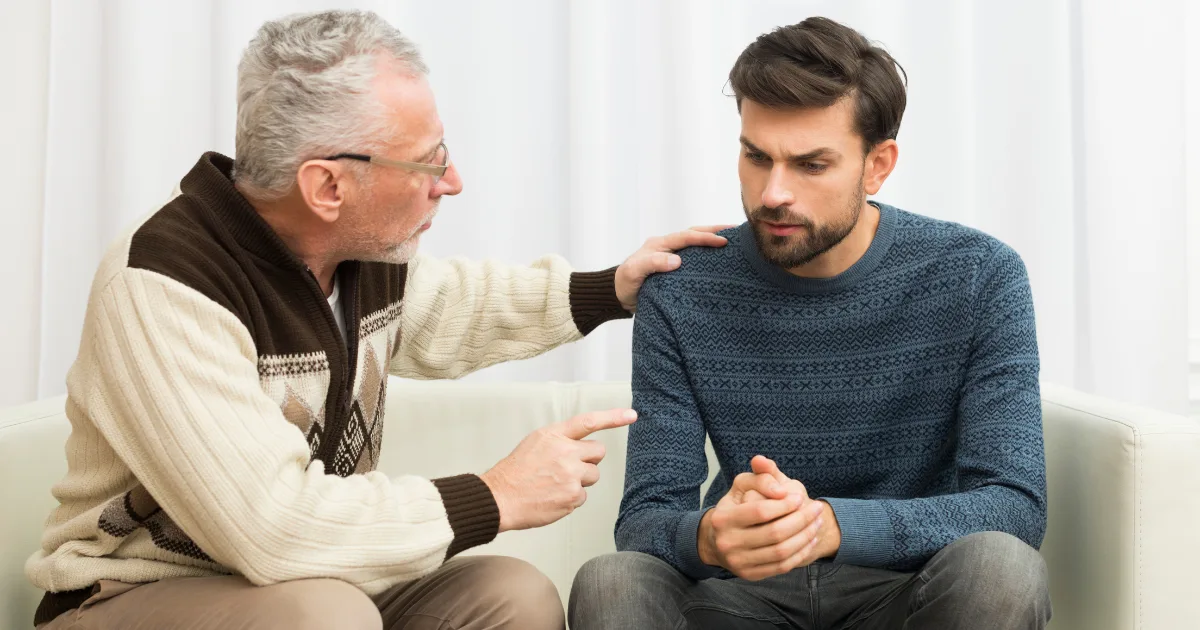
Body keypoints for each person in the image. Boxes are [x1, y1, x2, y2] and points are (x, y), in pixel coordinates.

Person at [27, 10, 728, 630]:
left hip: (314, 588)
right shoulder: (164, 283)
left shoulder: (355, 254)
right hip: (128, 597)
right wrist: (493, 495)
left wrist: (612, 288)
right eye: (429, 162)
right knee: (324, 616)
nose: (451, 182)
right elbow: (269, 528)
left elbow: (455, 307)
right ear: (328, 185)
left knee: (512, 596)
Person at [570, 16, 1050, 630]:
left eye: (811, 165)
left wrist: (832, 525)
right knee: (612, 581)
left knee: (1000, 569)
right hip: (738, 598)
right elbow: (644, 520)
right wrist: (711, 539)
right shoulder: (681, 287)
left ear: (877, 165)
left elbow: (1013, 506)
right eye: (755, 156)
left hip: (906, 591)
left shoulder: (979, 275)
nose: (773, 193)